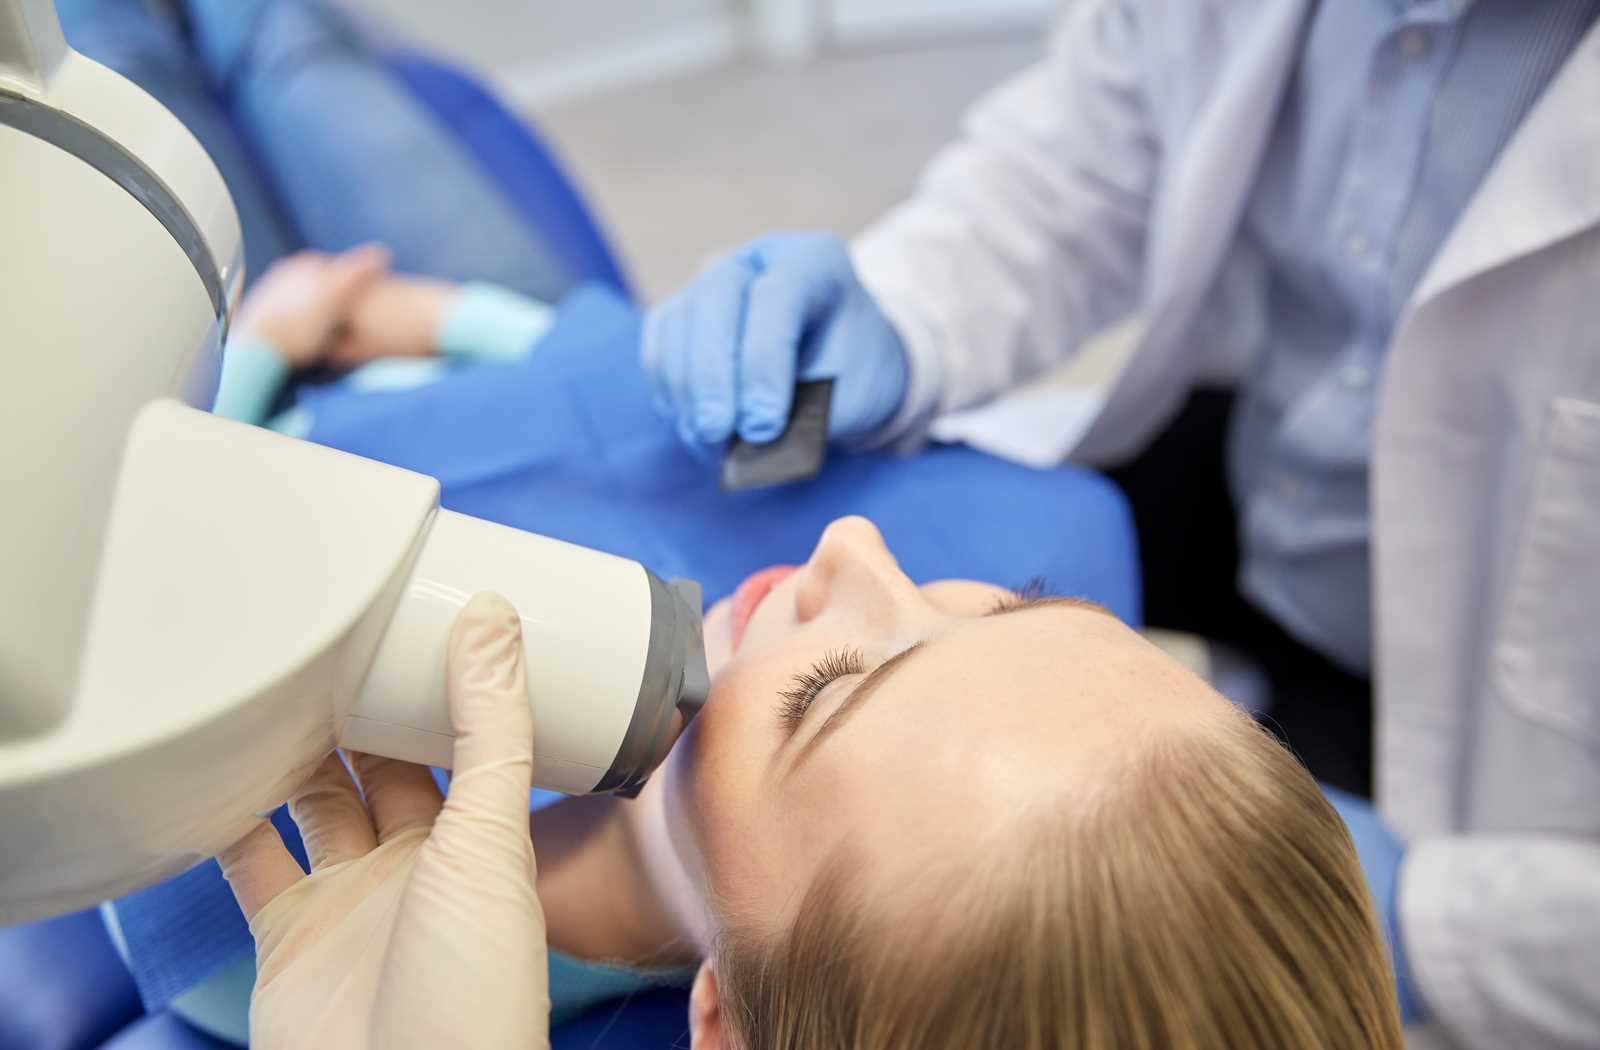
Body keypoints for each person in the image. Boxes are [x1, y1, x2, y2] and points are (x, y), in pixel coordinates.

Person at [643, 2, 1600, 1046]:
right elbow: (1087, 152)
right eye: (1022, 606)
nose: (856, 548)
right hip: (1273, 488)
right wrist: (907, 312)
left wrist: (1439, 923)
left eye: (826, 695)